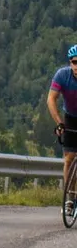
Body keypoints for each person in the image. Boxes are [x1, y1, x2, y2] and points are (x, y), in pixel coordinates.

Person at [47, 44, 77, 214]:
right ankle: (70, 199)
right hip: (70, 118)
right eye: (74, 62)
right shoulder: (62, 75)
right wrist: (59, 123)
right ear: (70, 62)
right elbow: (51, 99)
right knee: (69, 159)